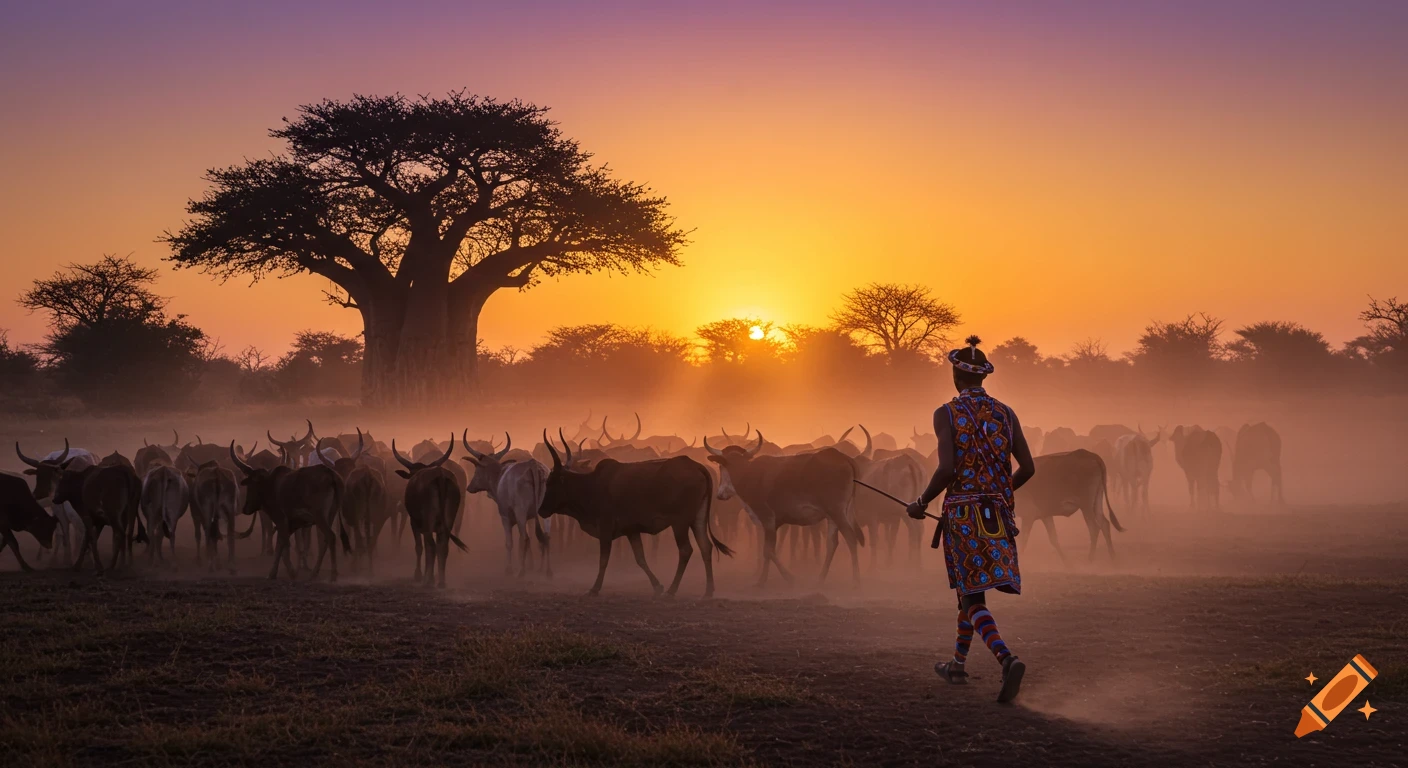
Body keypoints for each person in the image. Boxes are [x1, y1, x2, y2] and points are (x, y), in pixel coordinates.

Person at [907, 335, 1037, 703]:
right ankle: (957, 666)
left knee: (972, 598)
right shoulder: (1006, 413)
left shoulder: (945, 413)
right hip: (997, 514)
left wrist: (921, 501)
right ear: (984, 377)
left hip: (962, 514)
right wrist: (1001, 493)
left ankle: (1006, 658)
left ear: (955, 375)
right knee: (969, 592)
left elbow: (946, 469)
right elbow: (1027, 468)